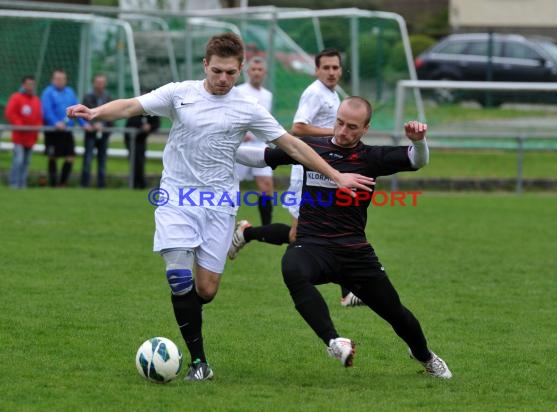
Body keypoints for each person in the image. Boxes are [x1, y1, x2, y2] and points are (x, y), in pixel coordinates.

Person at [66, 33, 373, 382]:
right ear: (205, 65)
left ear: (240, 68)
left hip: (219, 205)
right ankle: (200, 363)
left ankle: (231, 249)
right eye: (216, 71)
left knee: (206, 290)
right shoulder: (180, 94)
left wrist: (336, 175)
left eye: (230, 72)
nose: (223, 79)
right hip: (177, 198)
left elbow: (292, 145)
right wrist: (96, 112)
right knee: (178, 276)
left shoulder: (247, 109)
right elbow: (131, 106)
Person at [234, 96, 452, 378]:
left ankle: (425, 356)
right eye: (339, 122)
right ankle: (334, 342)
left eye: (351, 126)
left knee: (395, 312)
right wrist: (218, 145)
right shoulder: (311, 148)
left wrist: (419, 141)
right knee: (292, 267)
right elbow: (262, 156)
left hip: (354, 251)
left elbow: (416, 160)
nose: (342, 131)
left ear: (365, 129)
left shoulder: (371, 158)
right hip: (313, 244)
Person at [230, 49, 363, 307]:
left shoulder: (332, 94)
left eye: (336, 68)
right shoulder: (314, 92)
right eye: (326, 68)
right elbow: (299, 127)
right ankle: (247, 233)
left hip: (322, 174)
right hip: (306, 173)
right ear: (317, 70)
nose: (332, 72)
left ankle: (346, 291)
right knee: (300, 234)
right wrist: (338, 132)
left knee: (325, 228)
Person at [235, 56, 275, 225]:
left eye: (260, 70)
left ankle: (267, 228)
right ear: (248, 72)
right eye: (254, 69)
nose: (257, 73)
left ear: (265, 73)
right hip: (240, 146)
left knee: (266, 186)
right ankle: (224, 223)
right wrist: (240, 132)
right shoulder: (238, 91)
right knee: (231, 187)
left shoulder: (268, 95)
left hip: (260, 146)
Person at [41, 68, 87, 187]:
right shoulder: (48, 92)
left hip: (67, 131)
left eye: (62, 79)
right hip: (53, 131)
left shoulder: (70, 92)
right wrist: (55, 122)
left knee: (70, 156)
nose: (60, 81)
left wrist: (85, 124)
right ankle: (53, 184)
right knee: (53, 157)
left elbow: (77, 110)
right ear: (53, 79)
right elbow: (47, 111)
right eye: (57, 79)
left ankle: (62, 183)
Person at [5, 75, 43, 188]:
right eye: (28, 84)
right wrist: (21, 125)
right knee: (18, 160)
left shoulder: (36, 100)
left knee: (26, 162)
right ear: (23, 85)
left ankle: (22, 184)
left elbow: (39, 117)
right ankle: (14, 183)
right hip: (19, 136)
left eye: (32, 84)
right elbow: (10, 113)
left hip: (31, 137)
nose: (30, 87)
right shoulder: (16, 98)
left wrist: (37, 127)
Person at [80, 74, 114, 188]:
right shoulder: (88, 97)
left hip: (103, 135)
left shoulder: (108, 98)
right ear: (94, 83)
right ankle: (84, 185)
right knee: (88, 159)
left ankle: (101, 185)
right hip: (90, 134)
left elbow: (112, 115)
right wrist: (92, 125)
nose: (100, 85)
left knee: (102, 161)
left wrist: (105, 126)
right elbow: (84, 114)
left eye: (102, 82)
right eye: (98, 82)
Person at [124, 113, 161, 189]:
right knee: (135, 162)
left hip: (141, 139)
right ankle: (136, 184)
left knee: (140, 161)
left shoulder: (152, 111)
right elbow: (131, 124)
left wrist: (150, 127)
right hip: (131, 139)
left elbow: (156, 124)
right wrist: (141, 126)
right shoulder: (136, 111)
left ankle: (140, 185)